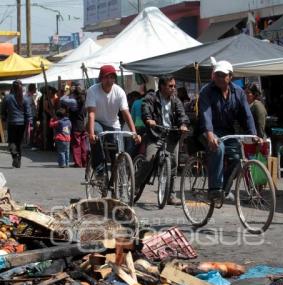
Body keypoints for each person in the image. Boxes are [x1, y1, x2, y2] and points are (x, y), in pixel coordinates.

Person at [198, 60, 257, 202]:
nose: (219, 78)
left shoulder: (238, 92)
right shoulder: (206, 91)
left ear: (230, 76)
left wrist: (253, 134)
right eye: (217, 74)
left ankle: (224, 189)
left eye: (222, 75)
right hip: (207, 130)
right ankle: (214, 189)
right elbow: (206, 115)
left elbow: (247, 115)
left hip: (227, 132)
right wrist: (210, 134)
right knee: (218, 148)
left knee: (238, 158)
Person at [85, 65, 141, 187]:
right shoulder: (92, 91)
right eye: (107, 77)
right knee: (97, 136)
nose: (109, 80)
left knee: (118, 151)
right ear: (101, 79)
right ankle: (99, 172)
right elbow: (91, 114)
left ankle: (115, 178)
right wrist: (91, 134)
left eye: (112, 77)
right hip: (96, 122)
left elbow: (126, 113)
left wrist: (134, 132)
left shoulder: (119, 91)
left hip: (113, 124)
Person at [140, 75, 189, 205]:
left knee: (173, 165)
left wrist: (183, 124)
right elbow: (145, 108)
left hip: (172, 135)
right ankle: (136, 186)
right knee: (148, 159)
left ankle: (171, 195)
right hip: (156, 134)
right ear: (162, 86)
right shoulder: (151, 98)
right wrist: (148, 119)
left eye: (174, 86)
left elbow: (182, 115)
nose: (173, 89)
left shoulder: (176, 100)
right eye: (170, 86)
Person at [1, 80, 32, 168]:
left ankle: (15, 156)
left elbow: (3, 110)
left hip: (11, 122)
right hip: (22, 123)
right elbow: (28, 112)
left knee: (11, 141)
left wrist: (4, 117)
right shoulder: (24, 98)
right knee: (19, 142)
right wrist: (30, 122)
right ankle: (18, 160)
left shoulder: (7, 98)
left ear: (12, 87)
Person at [60, 82, 88, 167]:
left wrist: (68, 92)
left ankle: (78, 163)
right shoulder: (84, 101)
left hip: (76, 125)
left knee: (76, 145)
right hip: (83, 124)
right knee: (83, 145)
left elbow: (62, 99)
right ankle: (84, 162)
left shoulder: (74, 102)